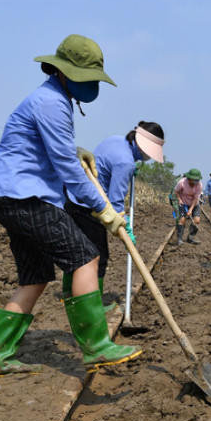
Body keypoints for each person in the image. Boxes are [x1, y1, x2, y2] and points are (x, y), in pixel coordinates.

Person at [0, 34, 142, 378]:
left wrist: (75, 149)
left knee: (35, 277)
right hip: (26, 197)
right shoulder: (52, 103)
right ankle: (97, 347)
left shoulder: (51, 98)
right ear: (65, 72)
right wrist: (105, 210)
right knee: (85, 256)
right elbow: (67, 171)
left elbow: (55, 152)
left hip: (9, 196)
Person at [63, 122, 165, 310]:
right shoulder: (125, 162)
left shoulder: (117, 140)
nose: (149, 157)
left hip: (73, 197)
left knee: (76, 250)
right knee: (98, 256)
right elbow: (116, 202)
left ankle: (68, 294)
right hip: (89, 206)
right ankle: (93, 304)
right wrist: (124, 227)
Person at [175, 168, 203, 245]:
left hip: (194, 203)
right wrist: (179, 200)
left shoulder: (199, 184)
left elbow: (196, 198)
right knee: (182, 220)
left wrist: (190, 209)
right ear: (189, 178)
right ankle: (179, 239)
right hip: (183, 203)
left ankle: (190, 238)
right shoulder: (182, 182)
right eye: (193, 181)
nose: (195, 183)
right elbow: (176, 191)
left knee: (197, 221)